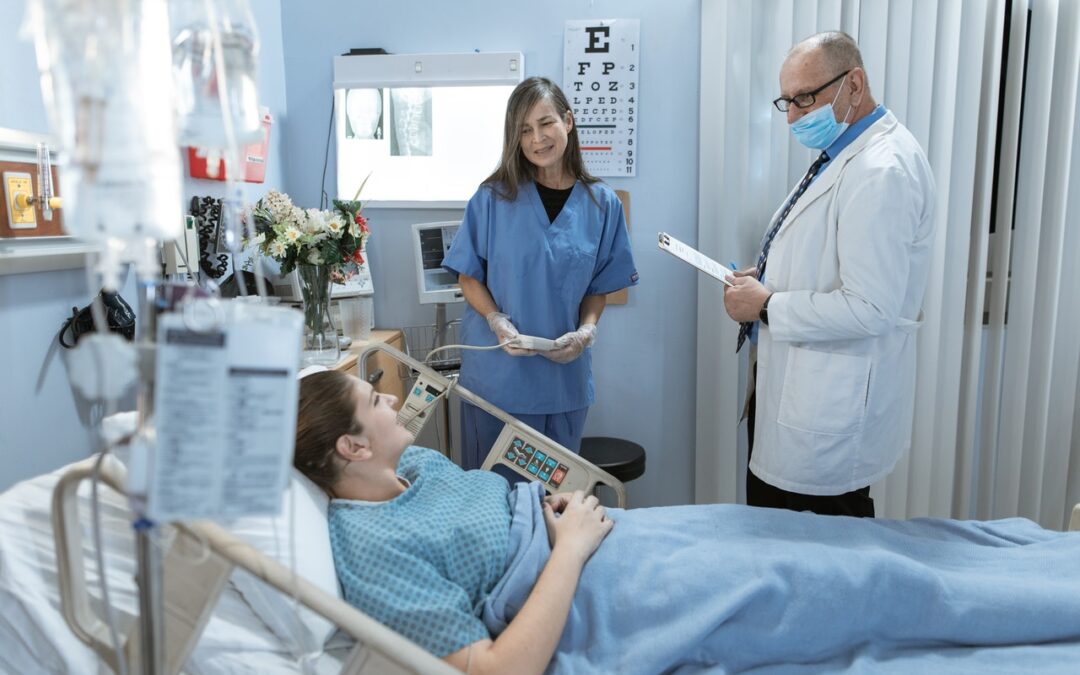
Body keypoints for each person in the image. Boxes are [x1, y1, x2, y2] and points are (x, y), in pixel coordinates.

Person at [294, 369, 1080, 675]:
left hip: (606, 536)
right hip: (587, 587)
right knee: (843, 579)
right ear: (351, 446)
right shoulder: (369, 549)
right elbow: (497, 669)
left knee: (829, 536)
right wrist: (568, 548)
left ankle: (1038, 565)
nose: (394, 398)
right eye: (375, 400)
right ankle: (1049, 605)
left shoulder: (419, 468)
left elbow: (499, 509)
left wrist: (558, 513)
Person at [722, 32, 935, 517]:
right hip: (799, 397)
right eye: (787, 102)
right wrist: (767, 279)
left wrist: (766, 305)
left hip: (826, 416)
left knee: (819, 550)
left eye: (804, 98)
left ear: (853, 84)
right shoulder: (844, 153)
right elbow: (824, 261)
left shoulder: (882, 170)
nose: (793, 117)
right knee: (776, 538)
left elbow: (871, 308)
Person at [442, 76, 638, 471]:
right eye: (524, 130)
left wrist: (586, 332)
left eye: (546, 123)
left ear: (568, 121)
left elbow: (598, 287)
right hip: (498, 380)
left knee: (553, 497)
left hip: (563, 382)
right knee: (494, 496)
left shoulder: (602, 204)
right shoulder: (492, 198)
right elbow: (468, 276)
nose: (537, 139)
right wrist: (496, 321)